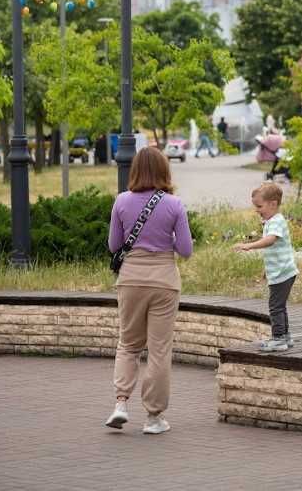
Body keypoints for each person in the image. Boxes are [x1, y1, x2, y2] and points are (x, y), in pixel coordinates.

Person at [106, 147, 193, 435]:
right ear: (164, 171)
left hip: (130, 279)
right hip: (164, 281)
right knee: (158, 351)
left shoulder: (121, 201)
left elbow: (113, 246)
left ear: (135, 171)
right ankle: (154, 418)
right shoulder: (174, 204)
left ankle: (120, 404)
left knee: (128, 344)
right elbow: (185, 250)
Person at [233, 182, 298, 352]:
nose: (257, 210)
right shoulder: (271, 220)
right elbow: (274, 251)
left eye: (259, 206)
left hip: (283, 273)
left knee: (275, 306)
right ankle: (285, 336)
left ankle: (278, 339)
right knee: (280, 305)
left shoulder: (276, 221)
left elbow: (270, 240)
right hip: (282, 272)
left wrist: (250, 246)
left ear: (273, 204)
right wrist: (266, 270)